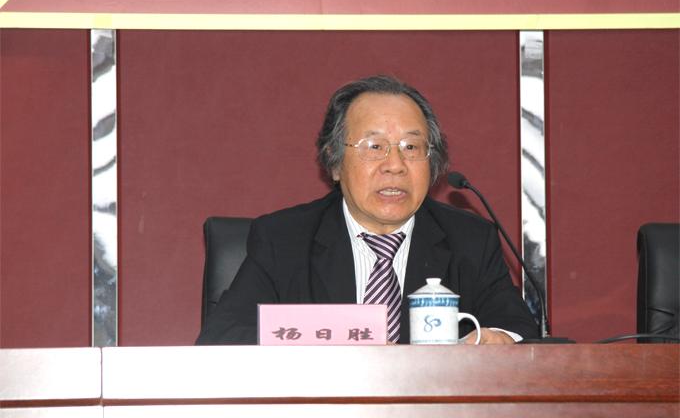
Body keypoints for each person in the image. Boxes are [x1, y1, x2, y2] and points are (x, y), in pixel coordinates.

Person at [196, 75, 539, 345]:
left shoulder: (470, 241)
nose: (395, 165)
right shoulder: (284, 239)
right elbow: (222, 340)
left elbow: (521, 333)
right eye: (374, 146)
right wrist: (341, 345)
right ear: (334, 162)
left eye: (411, 147)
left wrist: (498, 341)